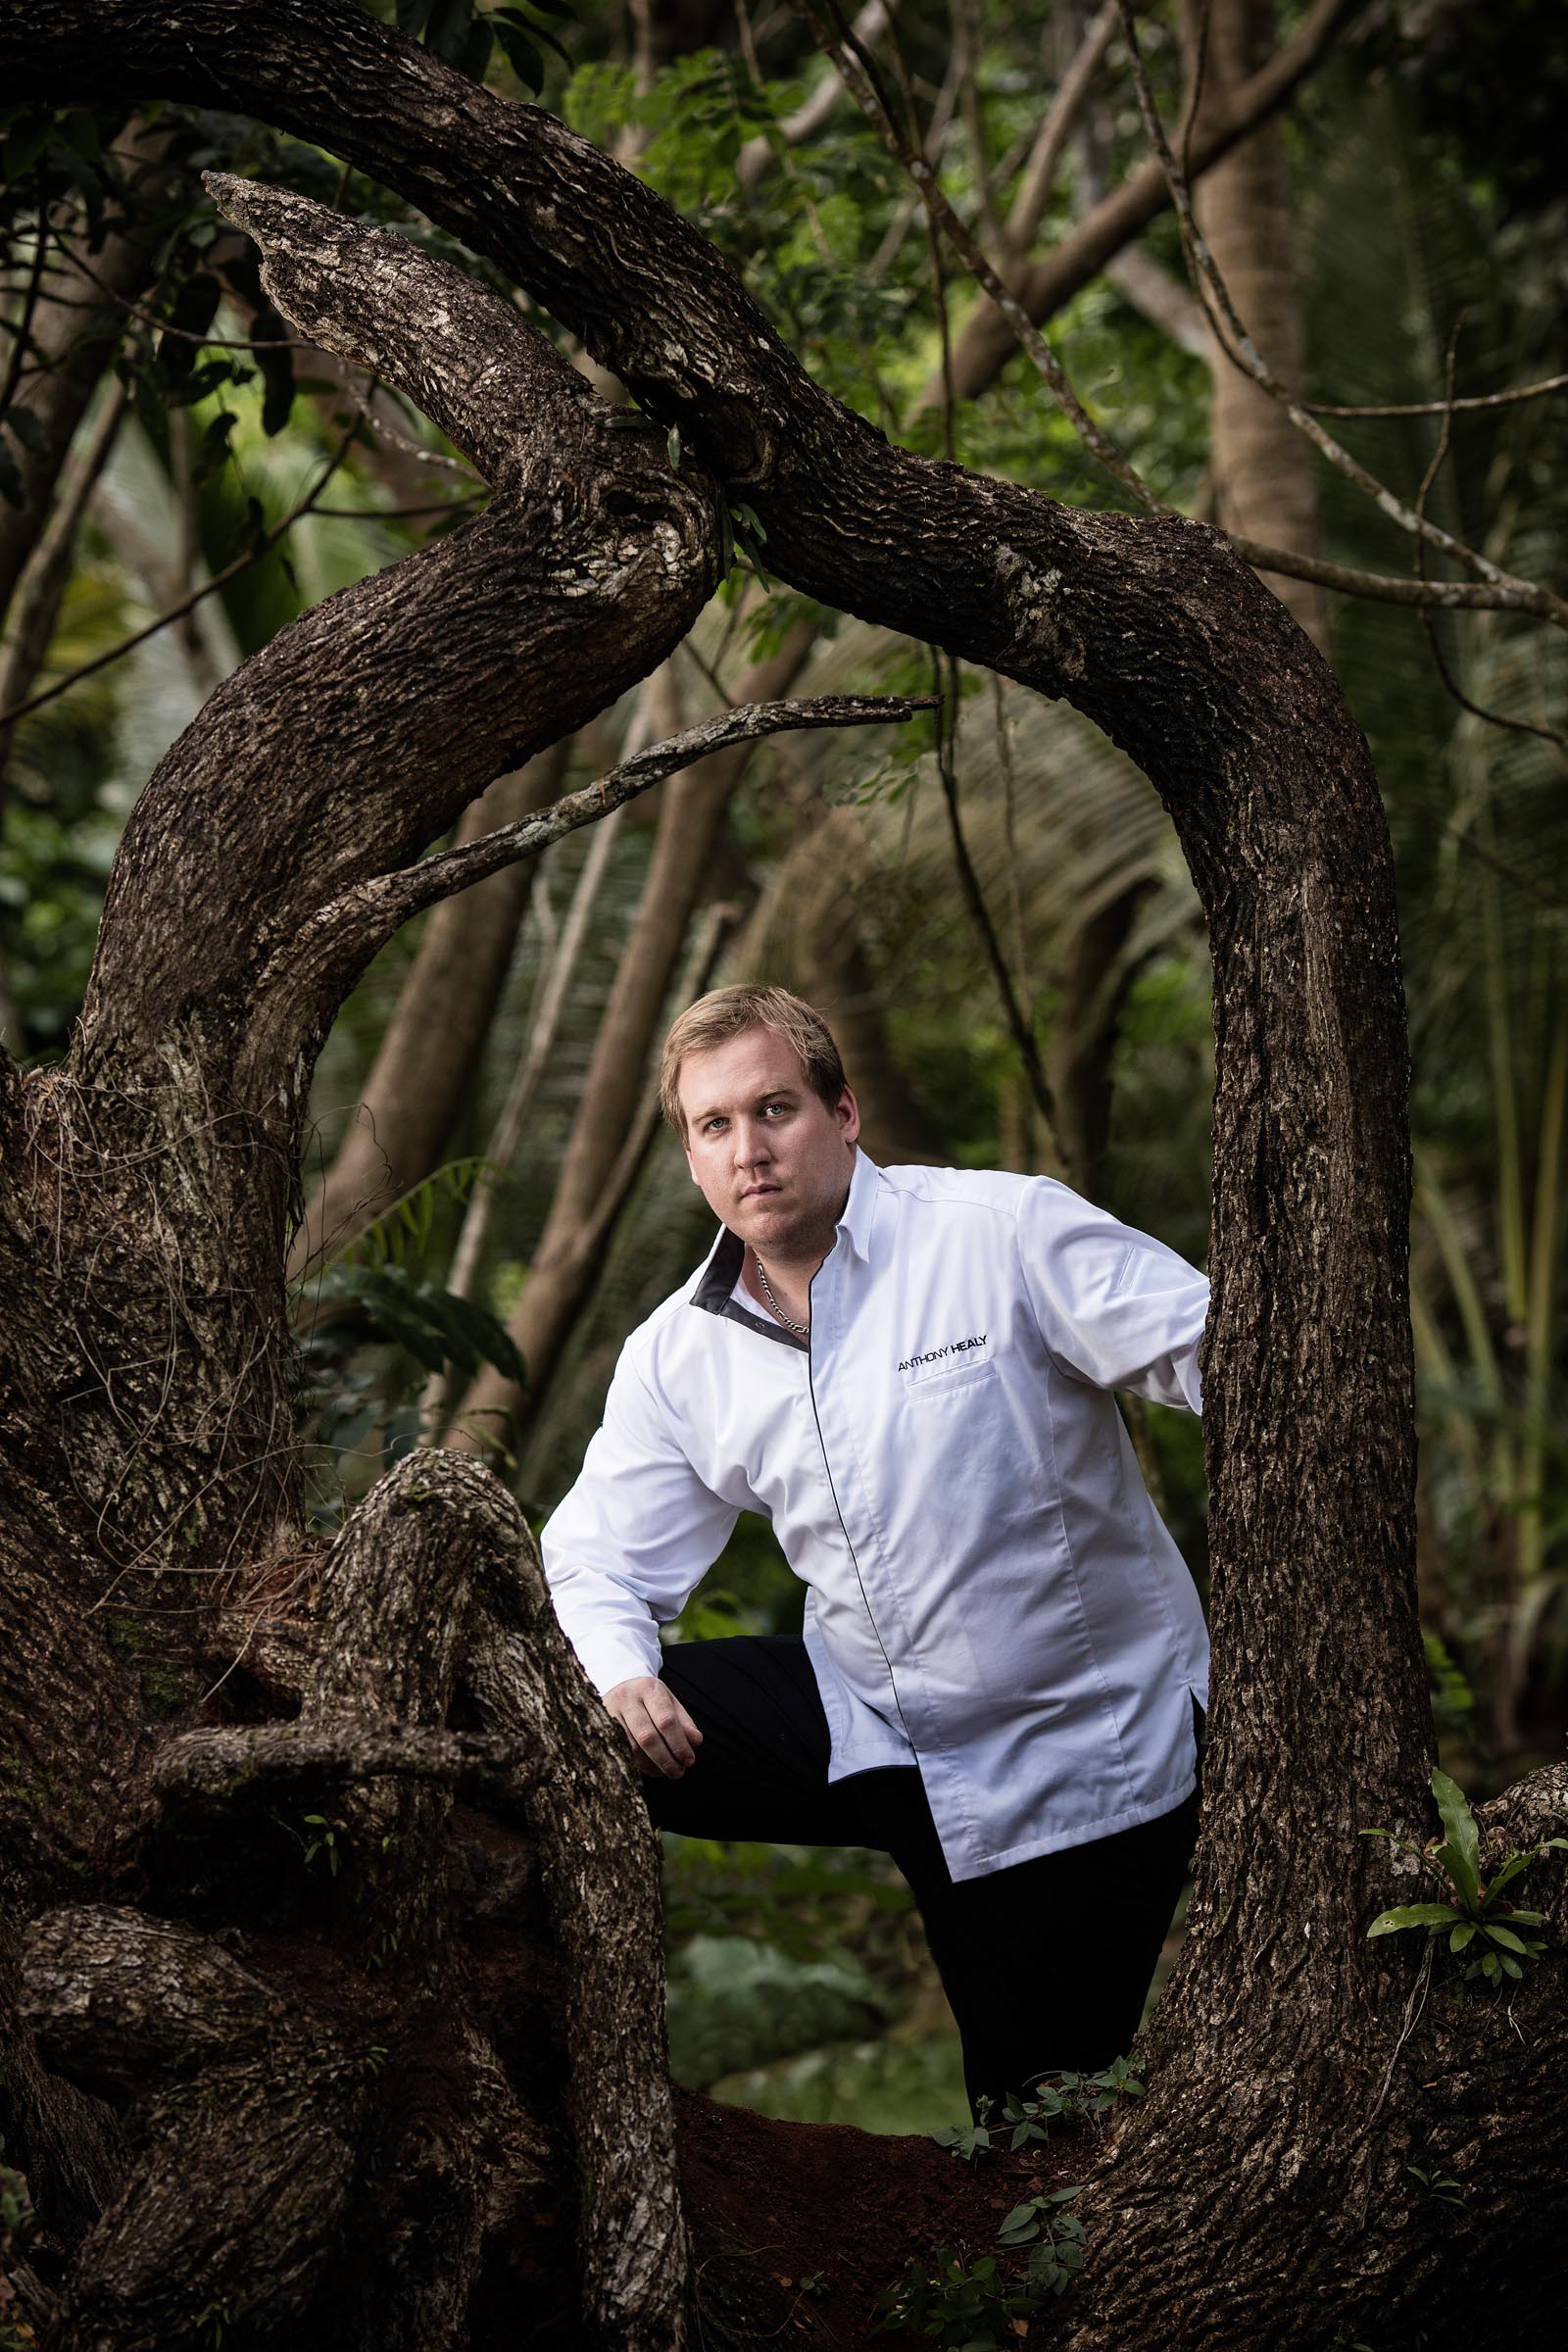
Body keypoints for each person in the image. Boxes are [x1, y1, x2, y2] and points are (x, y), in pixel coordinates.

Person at [542, 985, 1208, 2112]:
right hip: (871, 1728)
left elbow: (1220, 1348)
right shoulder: (676, 1353)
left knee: (1035, 2116)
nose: (749, 1150)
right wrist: (618, 1674)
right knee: (546, 1708)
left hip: (1079, 1758)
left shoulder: (1000, 1234)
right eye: (715, 1126)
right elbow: (597, 1559)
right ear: (692, 1157)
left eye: (775, 1109)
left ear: (842, 1113)